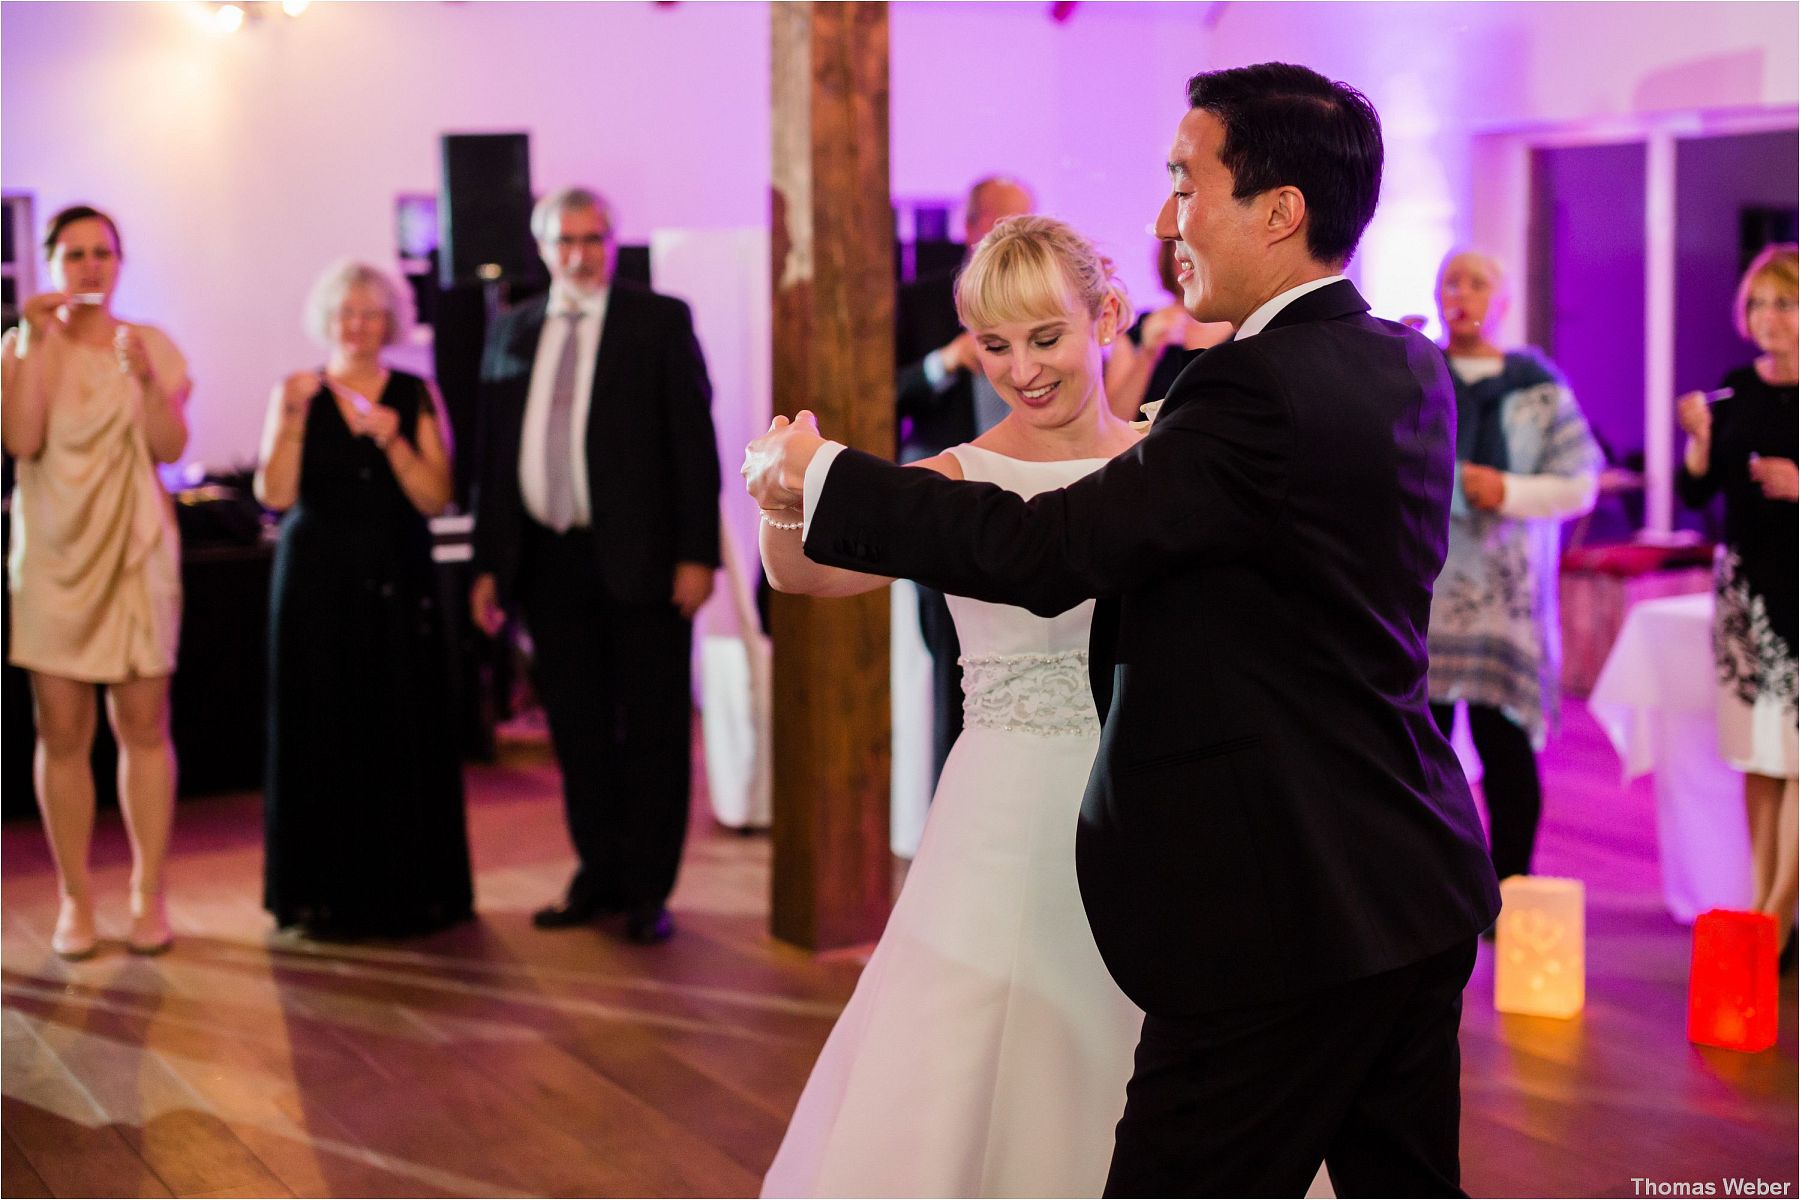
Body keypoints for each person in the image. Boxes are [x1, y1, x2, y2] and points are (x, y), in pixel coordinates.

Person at [745, 62, 1499, 1195]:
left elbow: (1049, 554)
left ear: (1279, 210)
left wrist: (832, 472)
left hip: (1277, 902)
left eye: (1186, 183)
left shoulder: (1242, 393)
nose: (1166, 219)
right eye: (994, 345)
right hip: (1403, 878)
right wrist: (799, 503)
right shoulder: (1405, 363)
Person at [759, 215, 1143, 1197]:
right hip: (1007, 807)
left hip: (1152, 792)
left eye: (1046, 337)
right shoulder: (959, 477)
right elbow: (808, 576)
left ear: (1107, 316)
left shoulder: (1164, 462)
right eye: (996, 345)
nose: (1023, 369)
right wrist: (780, 495)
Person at [468, 187, 720, 945]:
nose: (579, 254)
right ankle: (597, 873)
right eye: (563, 241)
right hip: (548, 562)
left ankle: (648, 889)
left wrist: (697, 553)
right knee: (576, 732)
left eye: (592, 238)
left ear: (612, 242)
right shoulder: (510, 330)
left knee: (652, 729)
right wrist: (489, 565)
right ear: (541, 248)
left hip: (645, 562)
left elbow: (693, 445)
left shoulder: (659, 320)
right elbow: (494, 453)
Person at [255, 260, 473, 937]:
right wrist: (293, 419)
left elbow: (436, 496)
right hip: (316, 580)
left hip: (395, 578)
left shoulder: (416, 391)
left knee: (400, 719)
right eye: (346, 312)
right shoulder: (296, 391)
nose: (357, 325)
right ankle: (322, 892)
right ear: (327, 319)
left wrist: (394, 440)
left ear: (391, 321)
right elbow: (275, 494)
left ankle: (408, 889)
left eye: (371, 313)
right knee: (320, 722)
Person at [2, 205, 190, 960]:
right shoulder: (22, 346)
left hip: (136, 548)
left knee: (144, 726)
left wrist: (147, 382)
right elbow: (22, 440)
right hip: (52, 554)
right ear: (51, 263)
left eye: (102, 254)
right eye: (73, 254)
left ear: (119, 263)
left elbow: (170, 446)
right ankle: (75, 897)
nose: (88, 267)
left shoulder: (149, 345)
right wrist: (32, 341)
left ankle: (149, 891)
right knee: (61, 729)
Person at [1426, 250, 1603, 889]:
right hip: (1424, 593)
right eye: (1452, 281)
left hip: (1506, 601)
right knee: (1422, 752)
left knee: (1505, 749)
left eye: (1479, 283)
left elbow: (1580, 484)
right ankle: (1432, 886)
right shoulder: (1415, 375)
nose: (1462, 294)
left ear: (1502, 302)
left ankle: (1512, 889)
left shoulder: (1538, 388)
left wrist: (1508, 490)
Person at [1676, 243, 1799, 958]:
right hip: (1749, 592)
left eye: (1783, 302)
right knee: (1761, 756)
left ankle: (1776, 921)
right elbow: (1698, 493)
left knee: (1797, 759)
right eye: (1758, 303)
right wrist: (1697, 445)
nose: (1767, 317)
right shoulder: (1734, 389)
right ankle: (1764, 906)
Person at [895, 176, 1034, 786]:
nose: (1013, 233)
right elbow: (879, 392)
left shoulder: (1041, 296)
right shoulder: (922, 298)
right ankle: (947, 804)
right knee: (951, 670)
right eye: (1002, 220)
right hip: (945, 499)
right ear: (971, 226)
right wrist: (942, 363)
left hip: (1029, 498)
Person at [1102, 238, 1233, 421]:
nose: (1193, 258)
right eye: (1182, 245)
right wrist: (1148, 354)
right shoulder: (1138, 329)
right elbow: (1113, 420)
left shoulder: (1247, 327)